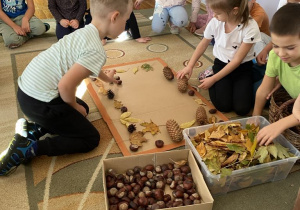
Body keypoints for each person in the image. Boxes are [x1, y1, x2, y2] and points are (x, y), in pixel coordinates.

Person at [0, 0, 133, 176]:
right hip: (40, 102)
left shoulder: (84, 32)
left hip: (27, 92)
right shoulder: (96, 50)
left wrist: (105, 77)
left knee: (83, 108)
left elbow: (84, 64)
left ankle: (35, 129)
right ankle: (29, 148)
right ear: (114, 17)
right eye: (126, 21)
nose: (126, 26)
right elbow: (65, 86)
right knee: (90, 138)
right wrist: (74, 106)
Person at [177, 0, 261, 116]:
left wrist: (214, 79)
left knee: (242, 109)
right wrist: (190, 65)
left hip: (242, 69)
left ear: (234, 11)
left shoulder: (250, 26)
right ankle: (212, 73)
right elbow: (203, 44)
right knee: (223, 106)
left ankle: (213, 76)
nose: (214, 15)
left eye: (217, 13)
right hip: (221, 65)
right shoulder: (215, 22)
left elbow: (237, 61)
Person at [253, 3, 300, 146]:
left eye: (290, 47)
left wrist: (280, 124)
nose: (281, 53)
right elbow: (264, 90)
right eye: (275, 45)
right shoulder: (274, 56)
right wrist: (256, 116)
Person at [134, 0, 201, 35]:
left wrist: (193, 21)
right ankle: (167, 16)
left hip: (177, 5)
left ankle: (172, 21)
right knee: (157, 29)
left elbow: (196, 2)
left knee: (182, 21)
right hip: (161, 5)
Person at [85, 9, 150, 44]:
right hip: (99, 18)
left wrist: (137, 37)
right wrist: (103, 37)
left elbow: (131, 15)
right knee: (89, 25)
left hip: (115, 20)